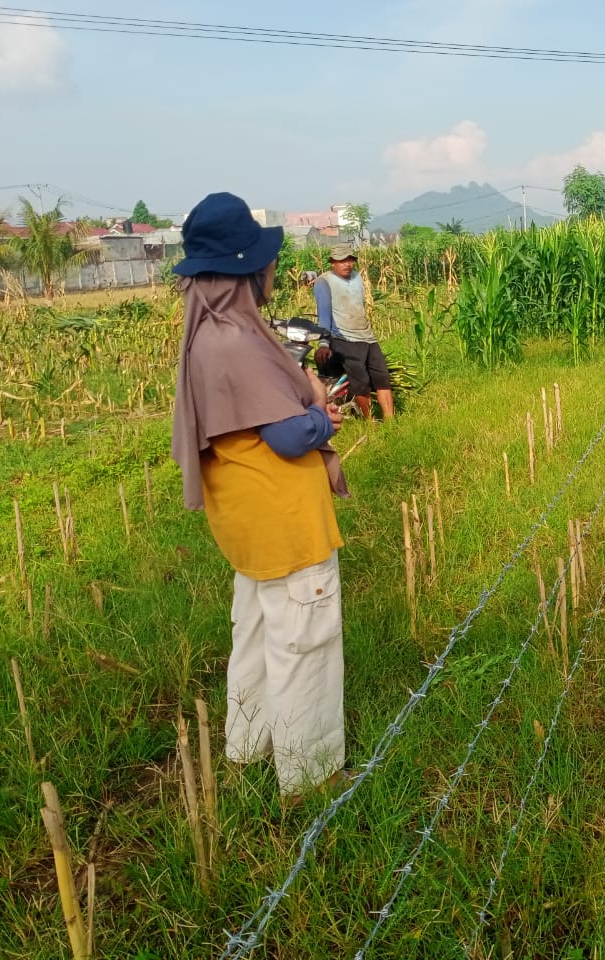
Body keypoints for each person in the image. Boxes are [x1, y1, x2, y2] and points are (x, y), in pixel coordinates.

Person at [171, 192, 352, 799]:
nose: (274, 267)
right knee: (305, 644)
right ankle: (311, 779)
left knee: (254, 637)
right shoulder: (239, 342)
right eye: (267, 259)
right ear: (248, 268)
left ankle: (249, 747)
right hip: (287, 524)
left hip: (248, 527)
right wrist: (321, 412)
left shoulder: (205, 335)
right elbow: (287, 435)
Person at [312, 244, 395, 421]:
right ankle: (369, 422)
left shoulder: (357, 277)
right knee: (361, 383)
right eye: (342, 261)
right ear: (333, 262)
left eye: (350, 260)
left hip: (367, 337)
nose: (347, 264)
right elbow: (324, 316)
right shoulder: (324, 282)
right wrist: (324, 343)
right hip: (344, 338)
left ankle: (390, 422)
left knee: (383, 378)